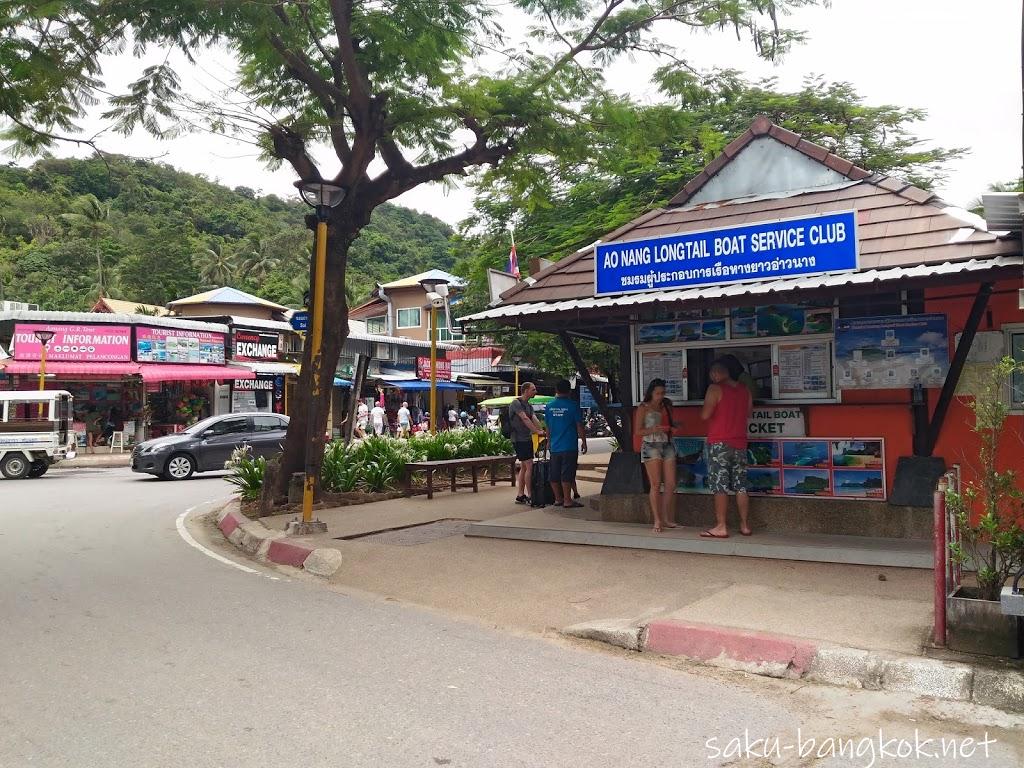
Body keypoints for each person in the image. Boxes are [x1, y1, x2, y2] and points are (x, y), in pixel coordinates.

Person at [700, 358, 754, 538]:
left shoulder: (714, 389)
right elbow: (748, 412)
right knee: (741, 486)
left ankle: (721, 526)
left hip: (719, 442)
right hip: (740, 442)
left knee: (720, 485)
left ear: (715, 373)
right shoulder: (744, 389)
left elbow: (705, 414)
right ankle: (745, 525)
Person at [635, 378, 678, 533]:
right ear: (651, 393)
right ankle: (657, 520)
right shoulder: (643, 407)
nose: (660, 396)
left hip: (666, 444)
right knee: (655, 483)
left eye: (663, 393)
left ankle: (665, 517)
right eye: (658, 393)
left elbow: (672, 423)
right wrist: (654, 429)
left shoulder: (666, 405)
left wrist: (671, 428)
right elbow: (638, 431)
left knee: (671, 483)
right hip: (651, 444)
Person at [544, 379, 588, 508]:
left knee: (554, 474)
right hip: (569, 446)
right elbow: (579, 426)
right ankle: (568, 500)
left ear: (556, 390)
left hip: (555, 446)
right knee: (567, 474)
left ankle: (558, 499)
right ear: (569, 391)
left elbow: (548, 427)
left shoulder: (549, 406)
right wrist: (584, 442)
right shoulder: (573, 406)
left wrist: (548, 442)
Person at [510, 381, 545, 504]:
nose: (535, 392)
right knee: (529, 465)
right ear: (525, 391)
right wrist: (536, 431)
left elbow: (533, 418)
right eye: (533, 389)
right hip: (519, 439)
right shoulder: (516, 403)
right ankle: (531, 495)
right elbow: (524, 418)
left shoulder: (529, 406)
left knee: (525, 466)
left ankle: (520, 495)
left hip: (527, 438)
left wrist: (542, 430)